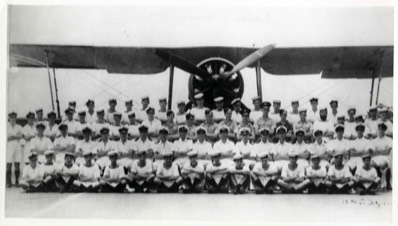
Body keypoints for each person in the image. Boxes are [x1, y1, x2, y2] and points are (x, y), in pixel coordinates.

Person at [371, 122, 393, 191]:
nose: (380, 131)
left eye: (382, 129)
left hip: (386, 157)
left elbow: (388, 152)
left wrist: (378, 151)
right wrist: (382, 152)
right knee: (371, 164)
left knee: (382, 165)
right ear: (377, 130)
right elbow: (373, 153)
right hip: (376, 158)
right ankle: (378, 182)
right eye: (379, 129)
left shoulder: (389, 139)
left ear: (385, 130)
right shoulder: (374, 140)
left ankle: (387, 183)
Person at [7, 111, 23, 187]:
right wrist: (16, 136)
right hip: (9, 146)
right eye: (11, 117)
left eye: (14, 117)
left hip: (17, 146)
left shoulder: (19, 127)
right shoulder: (5, 126)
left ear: (16, 118)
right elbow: (6, 138)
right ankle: (8, 182)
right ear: (9, 118)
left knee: (17, 163)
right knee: (9, 163)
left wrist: (12, 136)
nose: (13, 119)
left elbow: (21, 136)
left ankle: (17, 181)